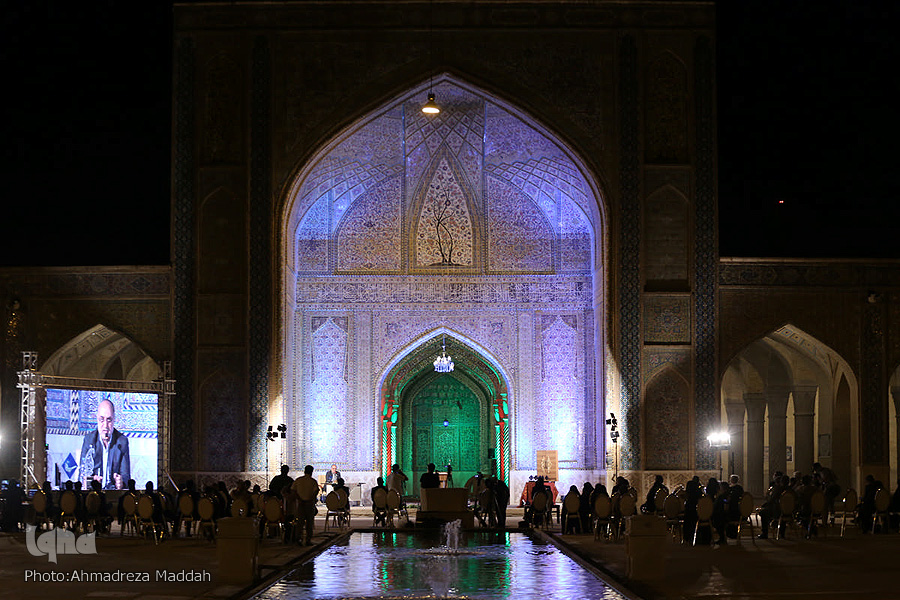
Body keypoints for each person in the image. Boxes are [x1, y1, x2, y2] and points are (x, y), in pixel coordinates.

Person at [79, 399, 130, 490]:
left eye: (109, 420)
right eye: (102, 420)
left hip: (113, 494)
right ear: (97, 419)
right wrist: (92, 482)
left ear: (114, 419)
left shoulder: (122, 441)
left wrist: (121, 482)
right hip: (94, 495)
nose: (105, 426)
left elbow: (126, 476)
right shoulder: (89, 440)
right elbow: (82, 476)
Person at [291, 465, 320, 545]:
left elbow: (293, 490)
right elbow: (316, 491)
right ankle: (308, 540)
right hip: (309, 504)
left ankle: (298, 539)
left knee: (300, 522)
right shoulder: (313, 481)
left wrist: (299, 499)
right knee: (309, 523)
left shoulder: (298, 480)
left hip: (300, 503)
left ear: (304, 471)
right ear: (311, 472)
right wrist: (311, 499)